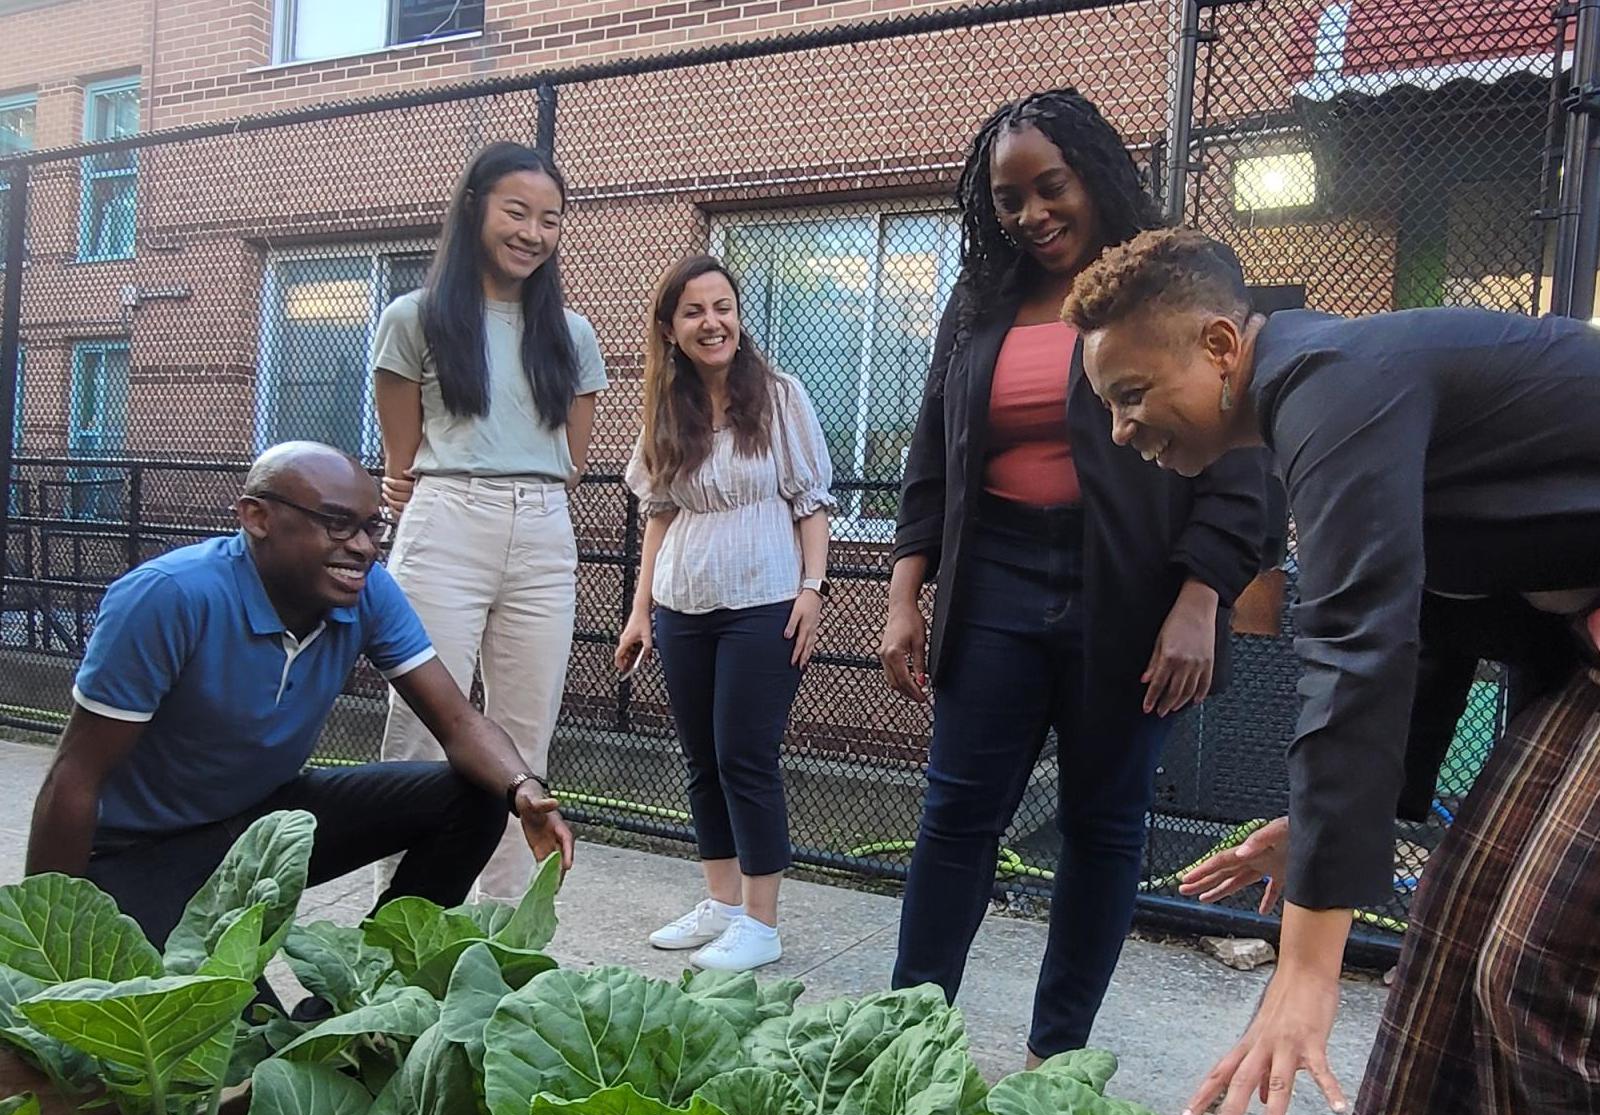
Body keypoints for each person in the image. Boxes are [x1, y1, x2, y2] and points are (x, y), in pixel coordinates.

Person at [1065, 226, 1600, 1115]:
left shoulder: (1327, 384)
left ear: (1219, 346)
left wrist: (1303, 975)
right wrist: (1316, 831)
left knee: (1549, 992)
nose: (1123, 430)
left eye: (1131, 393)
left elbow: (1355, 650)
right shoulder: (1334, 392)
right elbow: (1425, 633)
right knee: (1455, 952)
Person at [878, 89, 1266, 1062]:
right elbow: (934, 449)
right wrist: (901, 591)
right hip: (996, 577)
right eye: (1008, 198)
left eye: (1049, 188)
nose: (1031, 214)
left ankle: (1056, 1062)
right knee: (955, 816)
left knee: (1101, 827)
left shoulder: (1171, 283)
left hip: (1132, 594)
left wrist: (1198, 596)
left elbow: (1241, 457)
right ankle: (901, 1046)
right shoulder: (977, 303)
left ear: (1092, 174)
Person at [26, 443, 574, 949]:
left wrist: (524, 788)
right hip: (140, 854)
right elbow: (75, 775)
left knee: (479, 792)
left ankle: (377, 977)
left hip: (262, 826)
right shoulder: (170, 597)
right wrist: (53, 934)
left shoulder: (366, 593)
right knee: (240, 1032)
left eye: (370, 528)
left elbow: (458, 722)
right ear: (257, 517)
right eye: (337, 523)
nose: (360, 547)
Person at [373, 141, 607, 901]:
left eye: (550, 219)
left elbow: (571, 455)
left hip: (543, 529)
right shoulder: (414, 319)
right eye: (517, 212)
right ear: (475, 207)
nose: (533, 233)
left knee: (524, 735)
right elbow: (400, 459)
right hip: (445, 518)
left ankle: (507, 928)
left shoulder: (570, 335)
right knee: (417, 729)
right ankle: (401, 924)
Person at [615, 255, 833, 973]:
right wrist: (640, 611)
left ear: (738, 316)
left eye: (723, 307)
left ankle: (762, 921)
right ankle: (723, 903)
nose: (713, 323)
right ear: (671, 330)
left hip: (764, 600)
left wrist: (812, 588)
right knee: (702, 759)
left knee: (746, 756)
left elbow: (810, 500)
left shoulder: (778, 396)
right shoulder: (666, 407)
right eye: (694, 312)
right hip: (684, 603)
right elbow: (659, 512)